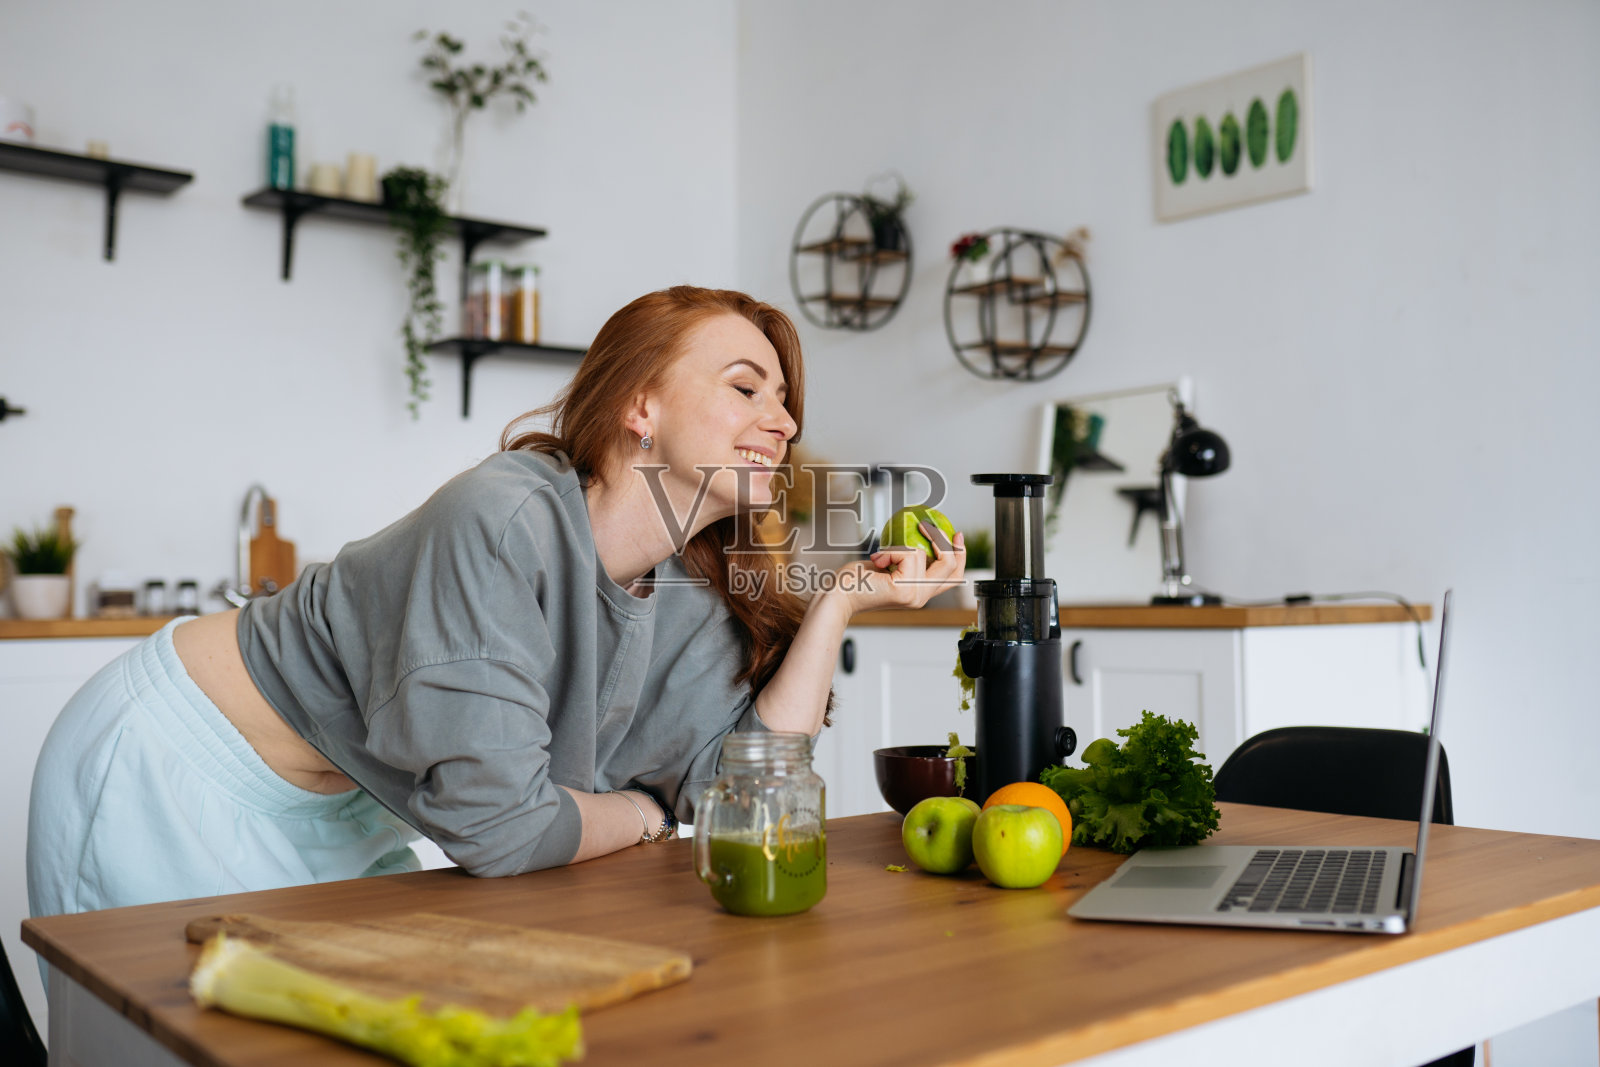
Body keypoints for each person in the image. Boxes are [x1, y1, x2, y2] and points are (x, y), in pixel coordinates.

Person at [28, 285, 965, 920]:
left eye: (786, 400)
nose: (785, 420)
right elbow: (503, 829)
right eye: (746, 387)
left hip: (354, 804)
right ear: (641, 406)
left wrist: (845, 599)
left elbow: (741, 788)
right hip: (181, 764)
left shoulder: (692, 579)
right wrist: (644, 812)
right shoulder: (504, 517)